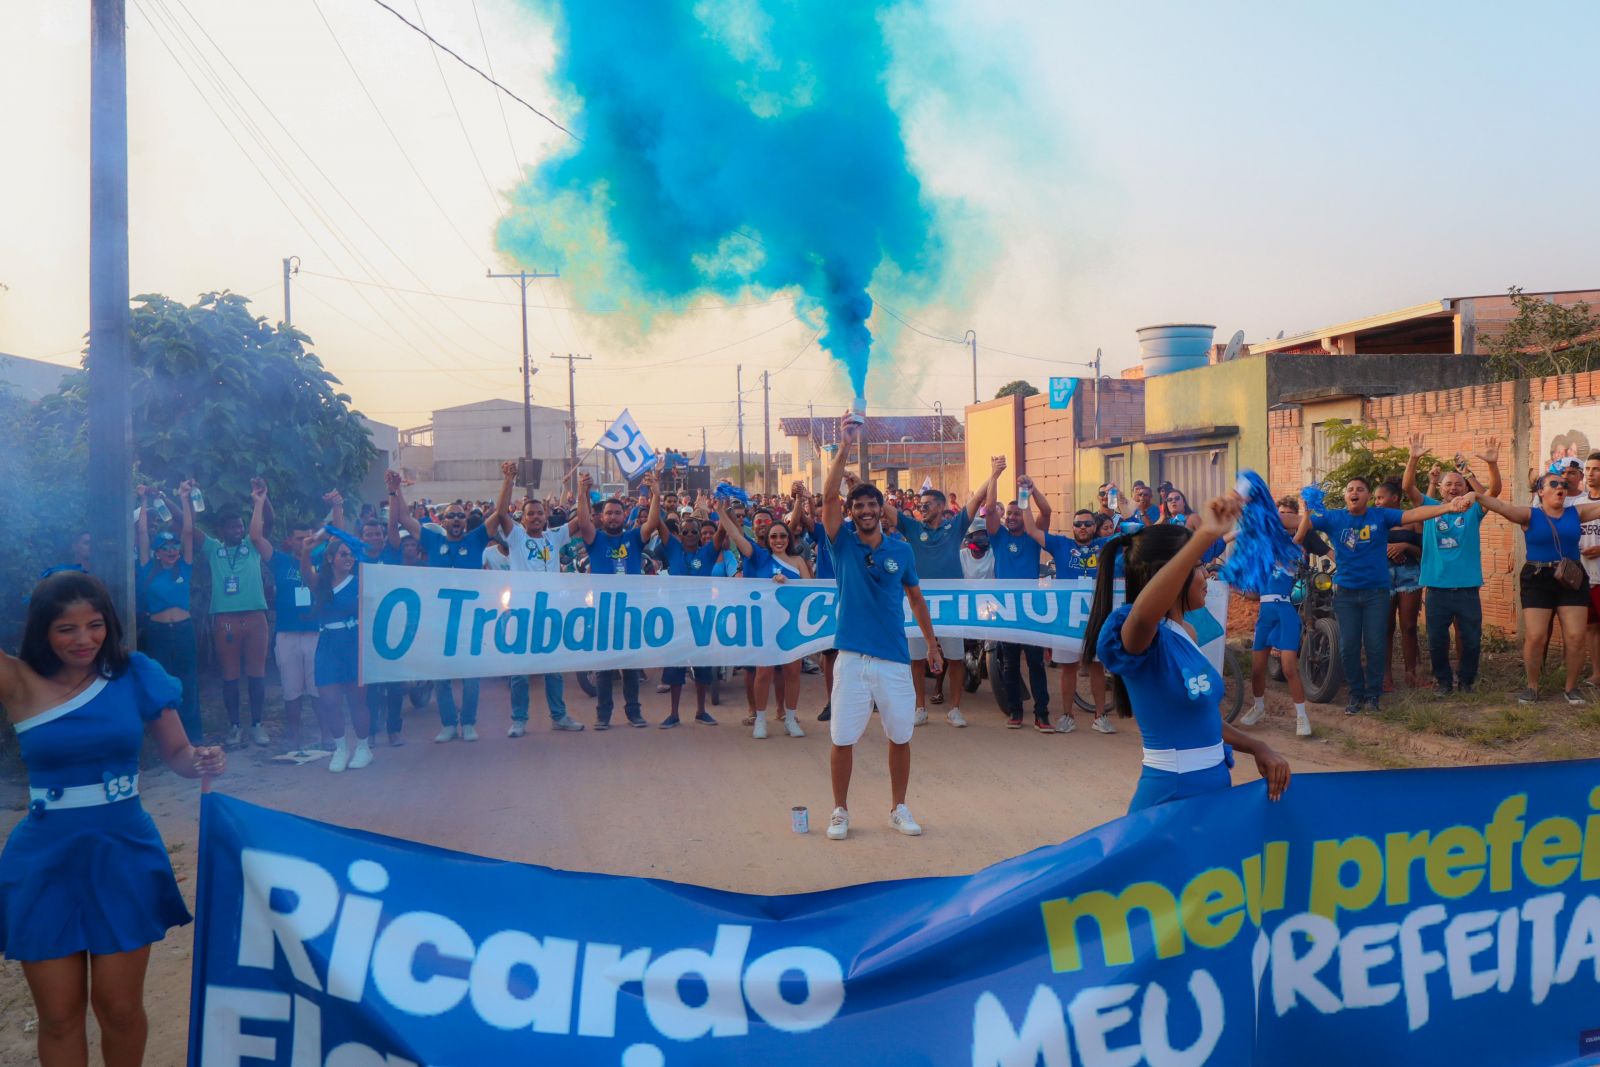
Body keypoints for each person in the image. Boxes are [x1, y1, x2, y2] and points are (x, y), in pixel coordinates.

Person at [0, 571, 226, 1066]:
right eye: (66, 629)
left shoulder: (136, 673)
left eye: (95, 624)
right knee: (58, 1016)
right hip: (44, 861)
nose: (84, 639)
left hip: (123, 852)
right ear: (42, 630)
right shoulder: (16, 678)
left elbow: (181, 755)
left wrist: (202, 759)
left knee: (120, 1009)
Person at [1082, 500, 1291, 812]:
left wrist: (1258, 747)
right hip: (1172, 796)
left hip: (1213, 787)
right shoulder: (1136, 633)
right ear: (1172, 574)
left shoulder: (1188, 633)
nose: (1206, 575)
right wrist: (1204, 536)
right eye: (1197, 566)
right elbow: (1143, 614)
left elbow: (1203, 719)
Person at [819, 412, 942, 841]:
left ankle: (899, 807)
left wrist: (931, 644)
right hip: (851, 658)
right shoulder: (842, 545)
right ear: (852, 512)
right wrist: (846, 445)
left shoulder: (902, 551)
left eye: (873, 505)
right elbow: (828, 495)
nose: (866, 511)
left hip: (892, 658)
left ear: (882, 512)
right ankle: (840, 811)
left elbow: (916, 599)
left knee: (900, 735)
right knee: (842, 738)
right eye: (860, 506)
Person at [885, 459, 1002, 729]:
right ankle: (920, 707)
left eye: (926, 505)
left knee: (955, 657)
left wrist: (994, 473)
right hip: (918, 603)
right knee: (916, 658)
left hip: (951, 603)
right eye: (919, 505)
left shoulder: (956, 525)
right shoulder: (913, 528)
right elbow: (884, 509)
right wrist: (859, 485)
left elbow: (979, 498)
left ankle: (955, 709)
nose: (921, 508)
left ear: (940, 506)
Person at [1468, 476, 1600, 704]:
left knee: (1576, 636)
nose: (1561, 488)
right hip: (1537, 578)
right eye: (1554, 484)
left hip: (1571, 577)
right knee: (1536, 636)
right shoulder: (1530, 515)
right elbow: (1501, 507)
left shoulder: (1576, 513)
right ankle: (1532, 686)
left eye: (1564, 485)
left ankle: (1571, 688)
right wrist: (1477, 495)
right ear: (1540, 491)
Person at [395, 478, 495, 741]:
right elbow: (404, 518)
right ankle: (449, 724)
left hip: (471, 622)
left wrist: (508, 480)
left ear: (466, 521)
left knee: (471, 677)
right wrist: (395, 489)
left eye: (460, 516)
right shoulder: (431, 540)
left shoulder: (476, 541)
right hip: (439, 622)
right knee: (442, 677)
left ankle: (469, 723)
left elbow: (500, 513)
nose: (456, 520)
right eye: (451, 516)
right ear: (443, 521)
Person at [488, 463, 585, 736]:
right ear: (522, 518)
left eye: (539, 513)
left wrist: (583, 492)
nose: (535, 517)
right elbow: (499, 512)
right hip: (522, 612)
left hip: (550, 612)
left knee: (553, 669)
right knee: (520, 670)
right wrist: (508, 479)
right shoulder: (516, 537)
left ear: (545, 516)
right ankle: (519, 719)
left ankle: (559, 716)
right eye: (530, 514)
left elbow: (581, 521)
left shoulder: (554, 537)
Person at [1299, 476, 1407, 715]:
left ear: (1368, 496)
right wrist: (1302, 513)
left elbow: (1413, 516)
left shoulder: (1381, 516)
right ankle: (1356, 695)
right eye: (1350, 489)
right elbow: (1299, 524)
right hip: (1346, 595)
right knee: (1347, 647)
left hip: (1376, 594)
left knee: (1375, 646)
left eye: (1360, 489)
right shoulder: (1334, 517)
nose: (1354, 492)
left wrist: (1449, 507)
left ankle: (1373, 695)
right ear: (1346, 496)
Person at [1401, 436, 1501, 694]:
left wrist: (1490, 465)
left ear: (1464, 486)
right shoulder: (1430, 508)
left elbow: (1494, 492)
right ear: (1441, 488)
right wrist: (1413, 458)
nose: (1454, 488)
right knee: (1436, 641)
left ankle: (1467, 680)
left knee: (1471, 640)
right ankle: (1443, 682)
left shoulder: (1472, 509)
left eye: (1458, 484)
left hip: (1467, 587)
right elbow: (1408, 487)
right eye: (1449, 485)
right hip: (1437, 588)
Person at [718, 498, 812, 739]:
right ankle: (760, 719)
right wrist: (721, 512)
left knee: (792, 672)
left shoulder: (799, 561)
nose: (778, 540)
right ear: (768, 540)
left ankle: (790, 718)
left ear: (788, 539)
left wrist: (788, 583)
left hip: (792, 626)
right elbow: (737, 537)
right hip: (766, 624)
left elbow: (810, 591)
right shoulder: (759, 557)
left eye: (782, 536)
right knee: (764, 673)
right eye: (774, 537)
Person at [1242, 497, 1324, 738]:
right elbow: (1254, 595)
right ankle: (1258, 707)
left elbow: (1299, 534)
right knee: (1257, 670)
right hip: (1265, 615)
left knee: (1289, 667)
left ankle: (1301, 717)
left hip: (1285, 611)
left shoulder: (1291, 549)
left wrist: (1307, 513)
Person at [641, 474, 719, 728]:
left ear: (699, 534)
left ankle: (700, 711)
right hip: (676, 617)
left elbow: (722, 533)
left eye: (693, 531)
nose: (688, 534)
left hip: (701, 618)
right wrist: (656, 494)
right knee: (674, 668)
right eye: (684, 531)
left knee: (702, 668)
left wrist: (722, 508)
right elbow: (659, 523)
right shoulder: (673, 548)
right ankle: (674, 714)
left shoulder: (707, 553)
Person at [984, 466, 1058, 732]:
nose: (1013, 516)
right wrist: (994, 476)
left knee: (1036, 663)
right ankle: (1015, 711)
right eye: (1010, 513)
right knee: (1010, 664)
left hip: (1031, 609)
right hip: (1005, 609)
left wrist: (1031, 488)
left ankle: (1042, 714)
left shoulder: (1033, 538)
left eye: (1018, 512)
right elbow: (990, 509)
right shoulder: (998, 537)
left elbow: (1047, 512)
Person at [572, 472, 648, 728]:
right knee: (603, 668)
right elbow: (582, 522)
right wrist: (582, 492)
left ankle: (634, 713)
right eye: (609, 513)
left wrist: (656, 494)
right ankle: (603, 715)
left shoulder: (634, 538)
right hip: (603, 614)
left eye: (618, 512)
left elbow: (654, 521)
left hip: (630, 613)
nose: (613, 517)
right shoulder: (595, 539)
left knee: (630, 667)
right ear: (601, 517)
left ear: (624, 515)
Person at [250, 487, 322, 751]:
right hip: (288, 634)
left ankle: (326, 735)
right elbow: (256, 537)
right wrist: (259, 502)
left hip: (315, 632)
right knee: (291, 690)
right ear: (290, 541)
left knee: (318, 688)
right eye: (299, 538)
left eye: (308, 538)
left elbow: (340, 536)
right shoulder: (279, 561)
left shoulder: (321, 559)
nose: (304, 542)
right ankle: (294, 737)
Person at [1031, 506, 1113, 734]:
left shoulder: (1105, 545)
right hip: (1067, 617)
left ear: (1095, 527)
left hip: (1096, 616)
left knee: (1097, 666)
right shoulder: (1061, 545)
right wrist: (1026, 494)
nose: (1083, 527)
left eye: (1087, 524)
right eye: (1078, 524)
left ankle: (1100, 716)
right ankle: (1067, 716)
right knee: (1068, 668)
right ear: (1073, 527)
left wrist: (1118, 505)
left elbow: (1132, 531)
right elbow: (1031, 529)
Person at [199, 492, 270, 747]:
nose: (237, 530)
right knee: (230, 675)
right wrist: (181, 499)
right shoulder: (212, 548)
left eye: (240, 525)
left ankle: (258, 725)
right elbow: (185, 528)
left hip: (254, 617)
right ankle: (234, 727)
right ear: (221, 530)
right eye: (232, 526)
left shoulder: (252, 546)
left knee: (256, 673)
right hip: (226, 620)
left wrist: (261, 501)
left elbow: (264, 524)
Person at [296, 537, 372, 772]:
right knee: (329, 701)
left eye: (350, 554)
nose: (349, 558)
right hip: (328, 644)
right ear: (330, 559)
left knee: (357, 699)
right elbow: (306, 573)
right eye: (343, 554)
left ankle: (363, 747)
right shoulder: (321, 583)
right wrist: (306, 552)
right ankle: (341, 747)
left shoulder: (360, 582)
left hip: (352, 642)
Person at [135, 482, 202, 743]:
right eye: (166, 548)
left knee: (188, 681)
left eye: (174, 547)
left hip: (184, 630)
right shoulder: (146, 568)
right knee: (162, 682)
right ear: (157, 552)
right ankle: (168, 740)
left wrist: (184, 498)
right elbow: (142, 532)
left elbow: (187, 531)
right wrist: (142, 500)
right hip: (158, 631)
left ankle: (193, 739)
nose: (172, 551)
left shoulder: (184, 568)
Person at [1372, 479, 1423, 690]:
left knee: (1409, 626)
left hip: (1409, 575)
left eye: (1380, 498)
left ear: (1395, 498)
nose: (1376, 502)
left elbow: (1423, 552)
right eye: (1375, 498)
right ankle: (1386, 677)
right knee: (1386, 627)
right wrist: (1385, 549)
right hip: (1382, 575)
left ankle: (1411, 674)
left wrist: (1404, 546)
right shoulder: (1374, 520)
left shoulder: (1413, 520)